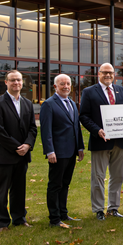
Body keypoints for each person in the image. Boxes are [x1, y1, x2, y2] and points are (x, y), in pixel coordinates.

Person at [0, 70, 38, 231]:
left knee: (19, 190)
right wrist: (17, 147)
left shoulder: (27, 103)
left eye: (19, 80)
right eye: (13, 80)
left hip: (23, 155)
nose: (16, 83)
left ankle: (19, 218)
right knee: (1, 191)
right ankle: (2, 222)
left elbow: (32, 128)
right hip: (4, 155)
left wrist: (28, 145)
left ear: (22, 82)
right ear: (6, 82)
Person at [79, 63, 123, 221]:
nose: (108, 75)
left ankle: (113, 208)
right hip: (100, 140)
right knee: (98, 176)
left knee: (117, 176)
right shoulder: (89, 92)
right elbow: (84, 116)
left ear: (114, 74)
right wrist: (97, 130)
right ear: (99, 74)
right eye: (105, 72)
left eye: (111, 73)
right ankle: (99, 209)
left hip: (119, 141)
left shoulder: (122, 91)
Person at [40, 74, 85, 228]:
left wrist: (80, 147)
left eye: (68, 84)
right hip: (57, 153)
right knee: (55, 185)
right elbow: (46, 130)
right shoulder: (48, 104)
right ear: (55, 87)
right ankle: (54, 218)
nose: (66, 86)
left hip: (71, 151)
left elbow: (76, 127)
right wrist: (49, 151)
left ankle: (63, 214)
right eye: (62, 84)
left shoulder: (72, 103)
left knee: (65, 184)